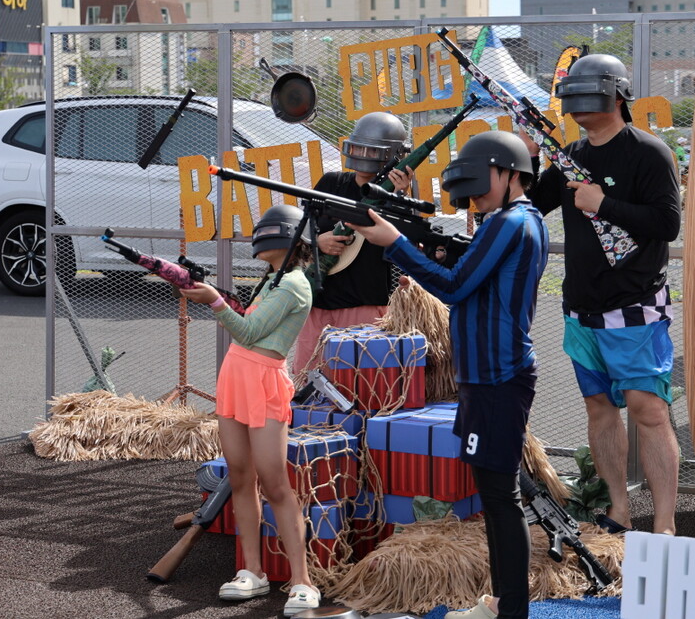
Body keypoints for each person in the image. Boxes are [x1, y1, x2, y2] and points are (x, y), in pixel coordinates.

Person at [348, 130, 547, 619]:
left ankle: (511, 609)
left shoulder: (510, 221)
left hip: (498, 376)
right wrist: (435, 248)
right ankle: (502, 604)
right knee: (496, 493)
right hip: (488, 375)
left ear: (509, 173)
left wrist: (396, 244)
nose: (475, 200)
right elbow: (474, 278)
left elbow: (455, 289)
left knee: (501, 498)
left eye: (482, 188)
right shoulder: (512, 219)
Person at [528, 53, 682, 536]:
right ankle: (619, 507)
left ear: (617, 96)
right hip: (581, 309)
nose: (575, 104)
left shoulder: (649, 152)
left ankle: (664, 523)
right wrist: (530, 158)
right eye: (569, 96)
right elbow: (531, 204)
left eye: (584, 93)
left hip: (636, 308)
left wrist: (604, 204)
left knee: (649, 411)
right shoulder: (572, 157)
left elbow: (667, 223)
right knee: (599, 408)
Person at [179, 204, 320, 616]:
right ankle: (253, 572)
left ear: (283, 239)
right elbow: (246, 323)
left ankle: (302, 581)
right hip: (236, 376)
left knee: (276, 483)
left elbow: (251, 331)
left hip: (262, 380)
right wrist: (216, 297)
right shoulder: (273, 281)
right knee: (240, 477)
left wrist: (214, 302)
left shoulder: (294, 284)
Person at [290, 111, 412, 376]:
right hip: (319, 303)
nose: (363, 156)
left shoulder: (399, 198)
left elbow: (406, 247)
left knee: (362, 384)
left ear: (392, 156)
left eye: (372, 151)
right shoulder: (332, 183)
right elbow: (301, 228)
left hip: (366, 306)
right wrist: (317, 241)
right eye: (358, 148)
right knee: (307, 381)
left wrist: (402, 197)